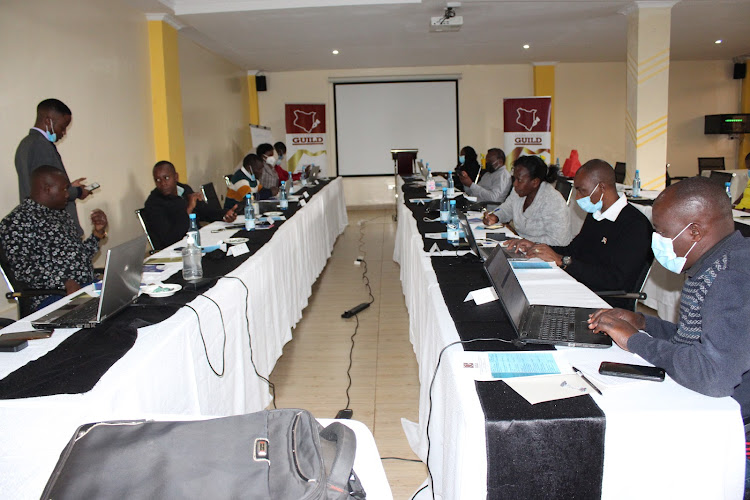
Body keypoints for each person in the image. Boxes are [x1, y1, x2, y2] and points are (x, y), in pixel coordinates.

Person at [588, 176, 750, 416]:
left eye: (662, 232)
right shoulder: (716, 261)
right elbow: (696, 341)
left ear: (694, 231)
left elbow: (713, 375)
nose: (657, 240)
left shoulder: (730, 278)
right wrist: (643, 323)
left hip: (730, 411)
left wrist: (635, 341)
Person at [508, 159, 653, 308]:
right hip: (578, 286)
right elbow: (573, 250)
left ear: (602, 188)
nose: (577, 197)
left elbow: (615, 280)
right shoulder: (596, 214)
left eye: (582, 190)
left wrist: (563, 261)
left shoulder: (635, 225)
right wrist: (536, 246)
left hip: (604, 303)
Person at [0, 166, 108, 312]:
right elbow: (24, 269)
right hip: (53, 297)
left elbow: (80, 256)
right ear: (47, 189)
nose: (67, 195)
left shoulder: (60, 214)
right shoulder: (16, 222)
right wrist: (64, 282)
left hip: (86, 288)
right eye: (64, 189)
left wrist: (97, 233)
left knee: (130, 301)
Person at [15, 98, 92, 236]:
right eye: (62, 127)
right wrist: (77, 192)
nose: (63, 133)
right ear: (47, 121)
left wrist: (67, 186)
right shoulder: (41, 146)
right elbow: (49, 192)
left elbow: (44, 186)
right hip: (54, 228)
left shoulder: (25, 144)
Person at [142, 161, 237, 250]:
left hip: (197, 241)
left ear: (176, 177)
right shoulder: (153, 204)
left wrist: (224, 215)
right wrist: (188, 210)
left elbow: (206, 212)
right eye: (157, 180)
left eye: (166, 178)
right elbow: (169, 238)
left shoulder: (185, 190)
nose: (162, 183)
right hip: (175, 249)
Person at [482, 155, 571, 246]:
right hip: (521, 246)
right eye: (514, 179)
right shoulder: (518, 191)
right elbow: (507, 208)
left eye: (519, 180)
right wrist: (495, 216)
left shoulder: (553, 201)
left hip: (546, 253)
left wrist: (521, 239)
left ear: (535, 182)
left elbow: (558, 241)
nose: (515, 184)